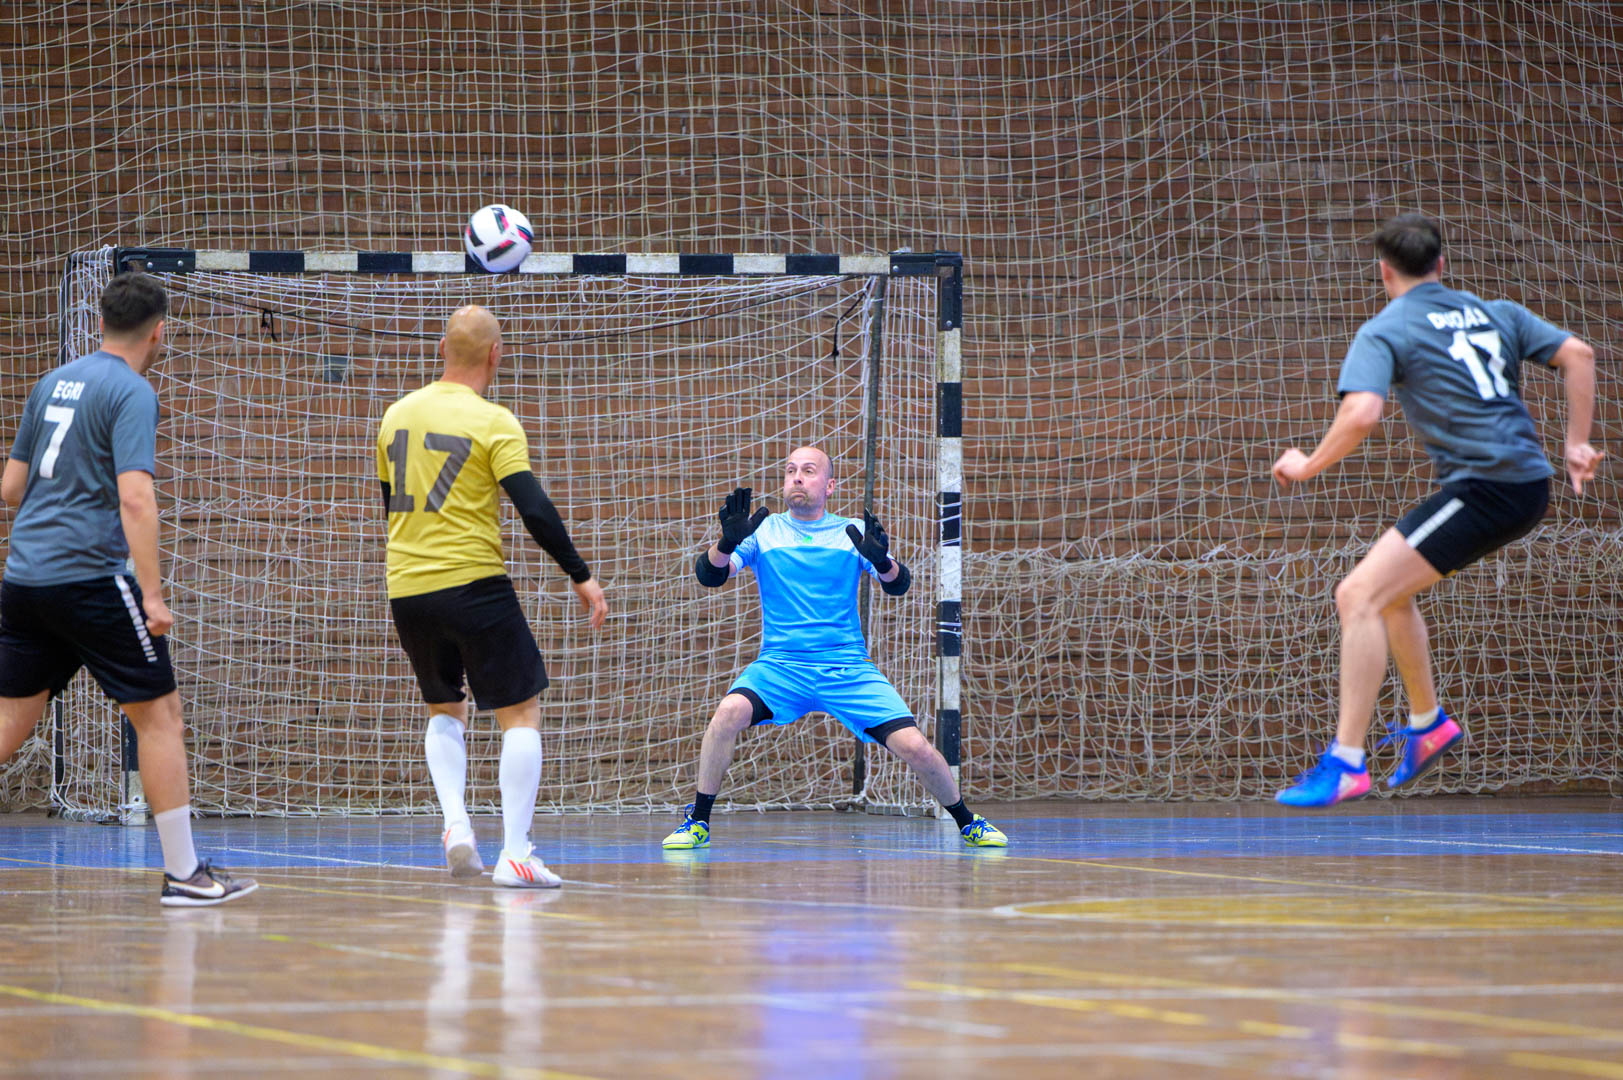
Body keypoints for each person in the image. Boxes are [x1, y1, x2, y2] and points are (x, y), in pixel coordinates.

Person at [1271, 213, 1602, 806]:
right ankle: (1428, 725)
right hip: (1518, 484)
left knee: (1356, 595)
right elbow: (1579, 353)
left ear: (1384, 272)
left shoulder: (1386, 328)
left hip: (1489, 487)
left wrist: (1306, 465)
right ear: (1441, 265)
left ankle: (1346, 763)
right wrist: (1577, 443)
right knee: (1390, 595)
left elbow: (1361, 414)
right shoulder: (1495, 311)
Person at [0, 272, 256, 905]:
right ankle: (185, 876)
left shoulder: (51, 382)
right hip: (90, 580)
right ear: (158, 332)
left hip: (25, 578)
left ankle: (187, 875)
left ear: (101, 321)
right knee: (160, 717)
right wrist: (152, 595)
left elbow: (10, 489)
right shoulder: (132, 391)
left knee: (9, 719)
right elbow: (136, 499)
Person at [662, 445, 1007, 848]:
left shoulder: (852, 533)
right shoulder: (762, 532)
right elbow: (710, 576)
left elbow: (898, 584)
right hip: (780, 667)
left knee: (916, 747)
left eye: (809, 470)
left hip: (846, 668)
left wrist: (883, 562)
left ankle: (968, 822)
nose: (797, 477)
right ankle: (698, 822)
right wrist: (725, 543)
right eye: (791, 470)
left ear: (830, 486)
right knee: (727, 714)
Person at [377, 305, 608, 887]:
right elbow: (534, 508)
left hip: (407, 588)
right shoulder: (493, 421)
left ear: (442, 350)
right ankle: (515, 854)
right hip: (474, 583)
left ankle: (456, 825)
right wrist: (579, 574)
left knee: (445, 709)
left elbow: (390, 504)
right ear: (494, 355)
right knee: (521, 713)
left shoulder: (395, 416)